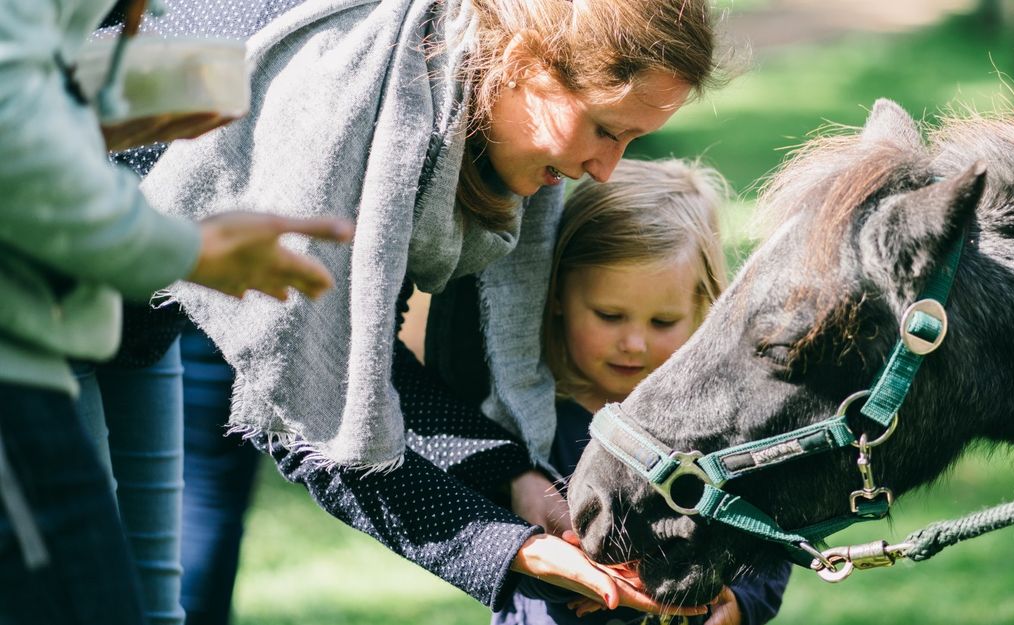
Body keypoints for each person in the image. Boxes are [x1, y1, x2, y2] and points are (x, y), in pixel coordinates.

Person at [135, 0, 727, 618]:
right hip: (69, 310)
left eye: (632, 140)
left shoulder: (435, 105)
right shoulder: (346, 111)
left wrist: (512, 478)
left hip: (132, 335)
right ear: (524, 63)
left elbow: (368, 369)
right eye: (605, 129)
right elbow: (319, 412)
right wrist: (510, 547)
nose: (605, 172)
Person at [0, 1, 354, 624]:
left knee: (154, 604)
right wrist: (187, 251)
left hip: (117, 316)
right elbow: (14, 139)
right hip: (29, 343)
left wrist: (99, 125)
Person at [493, 158, 792, 625]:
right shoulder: (529, 417)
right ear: (558, 295)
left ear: (705, 307)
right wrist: (575, 573)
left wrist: (742, 603)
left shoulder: (716, 424)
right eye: (610, 316)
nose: (634, 342)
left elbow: (767, 537)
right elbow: (502, 547)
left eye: (662, 321)